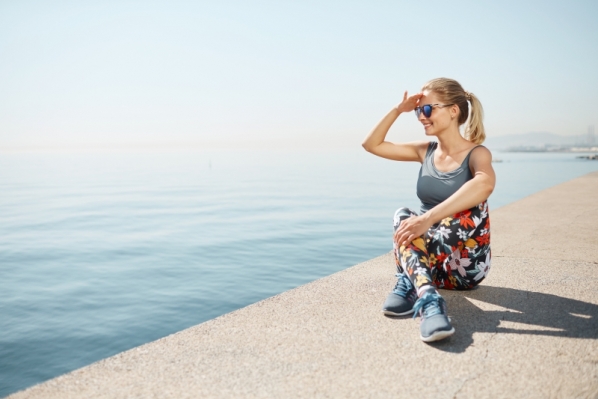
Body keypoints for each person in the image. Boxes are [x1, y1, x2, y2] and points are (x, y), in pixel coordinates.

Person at [361, 78, 495, 342]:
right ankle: (427, 297)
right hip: (429, 267)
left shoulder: (478, 153)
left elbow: (485, 182)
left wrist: (428, 218)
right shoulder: (425, 151)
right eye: (417, 112)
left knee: (471, 207)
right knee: (403, 215)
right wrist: (398, 110)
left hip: (464, 267)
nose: (421, 117)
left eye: (427, 109)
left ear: (453, 110)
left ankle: (409, 279)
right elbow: (371, 145)